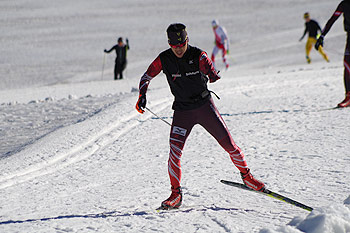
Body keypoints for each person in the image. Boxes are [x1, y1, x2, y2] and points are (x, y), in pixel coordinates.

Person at [135, 23, 265, 210]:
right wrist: (142, 95)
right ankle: (175, 194)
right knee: (174, 153)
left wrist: (212, 74)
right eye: (174, 46)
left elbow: (212, 72)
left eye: (181, 44)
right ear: (169, 44)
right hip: (182, 111)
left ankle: (247, 177)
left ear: (187, 40)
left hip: (204, 108)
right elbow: (146, 76)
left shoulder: (199, 55)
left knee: (229, 145)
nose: (178, 49)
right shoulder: (164, 59)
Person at [315, 0, 350, 108]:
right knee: (347, 64)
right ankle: (348, 96)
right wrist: (322, 36)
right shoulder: (344, 4)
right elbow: (332, 20)